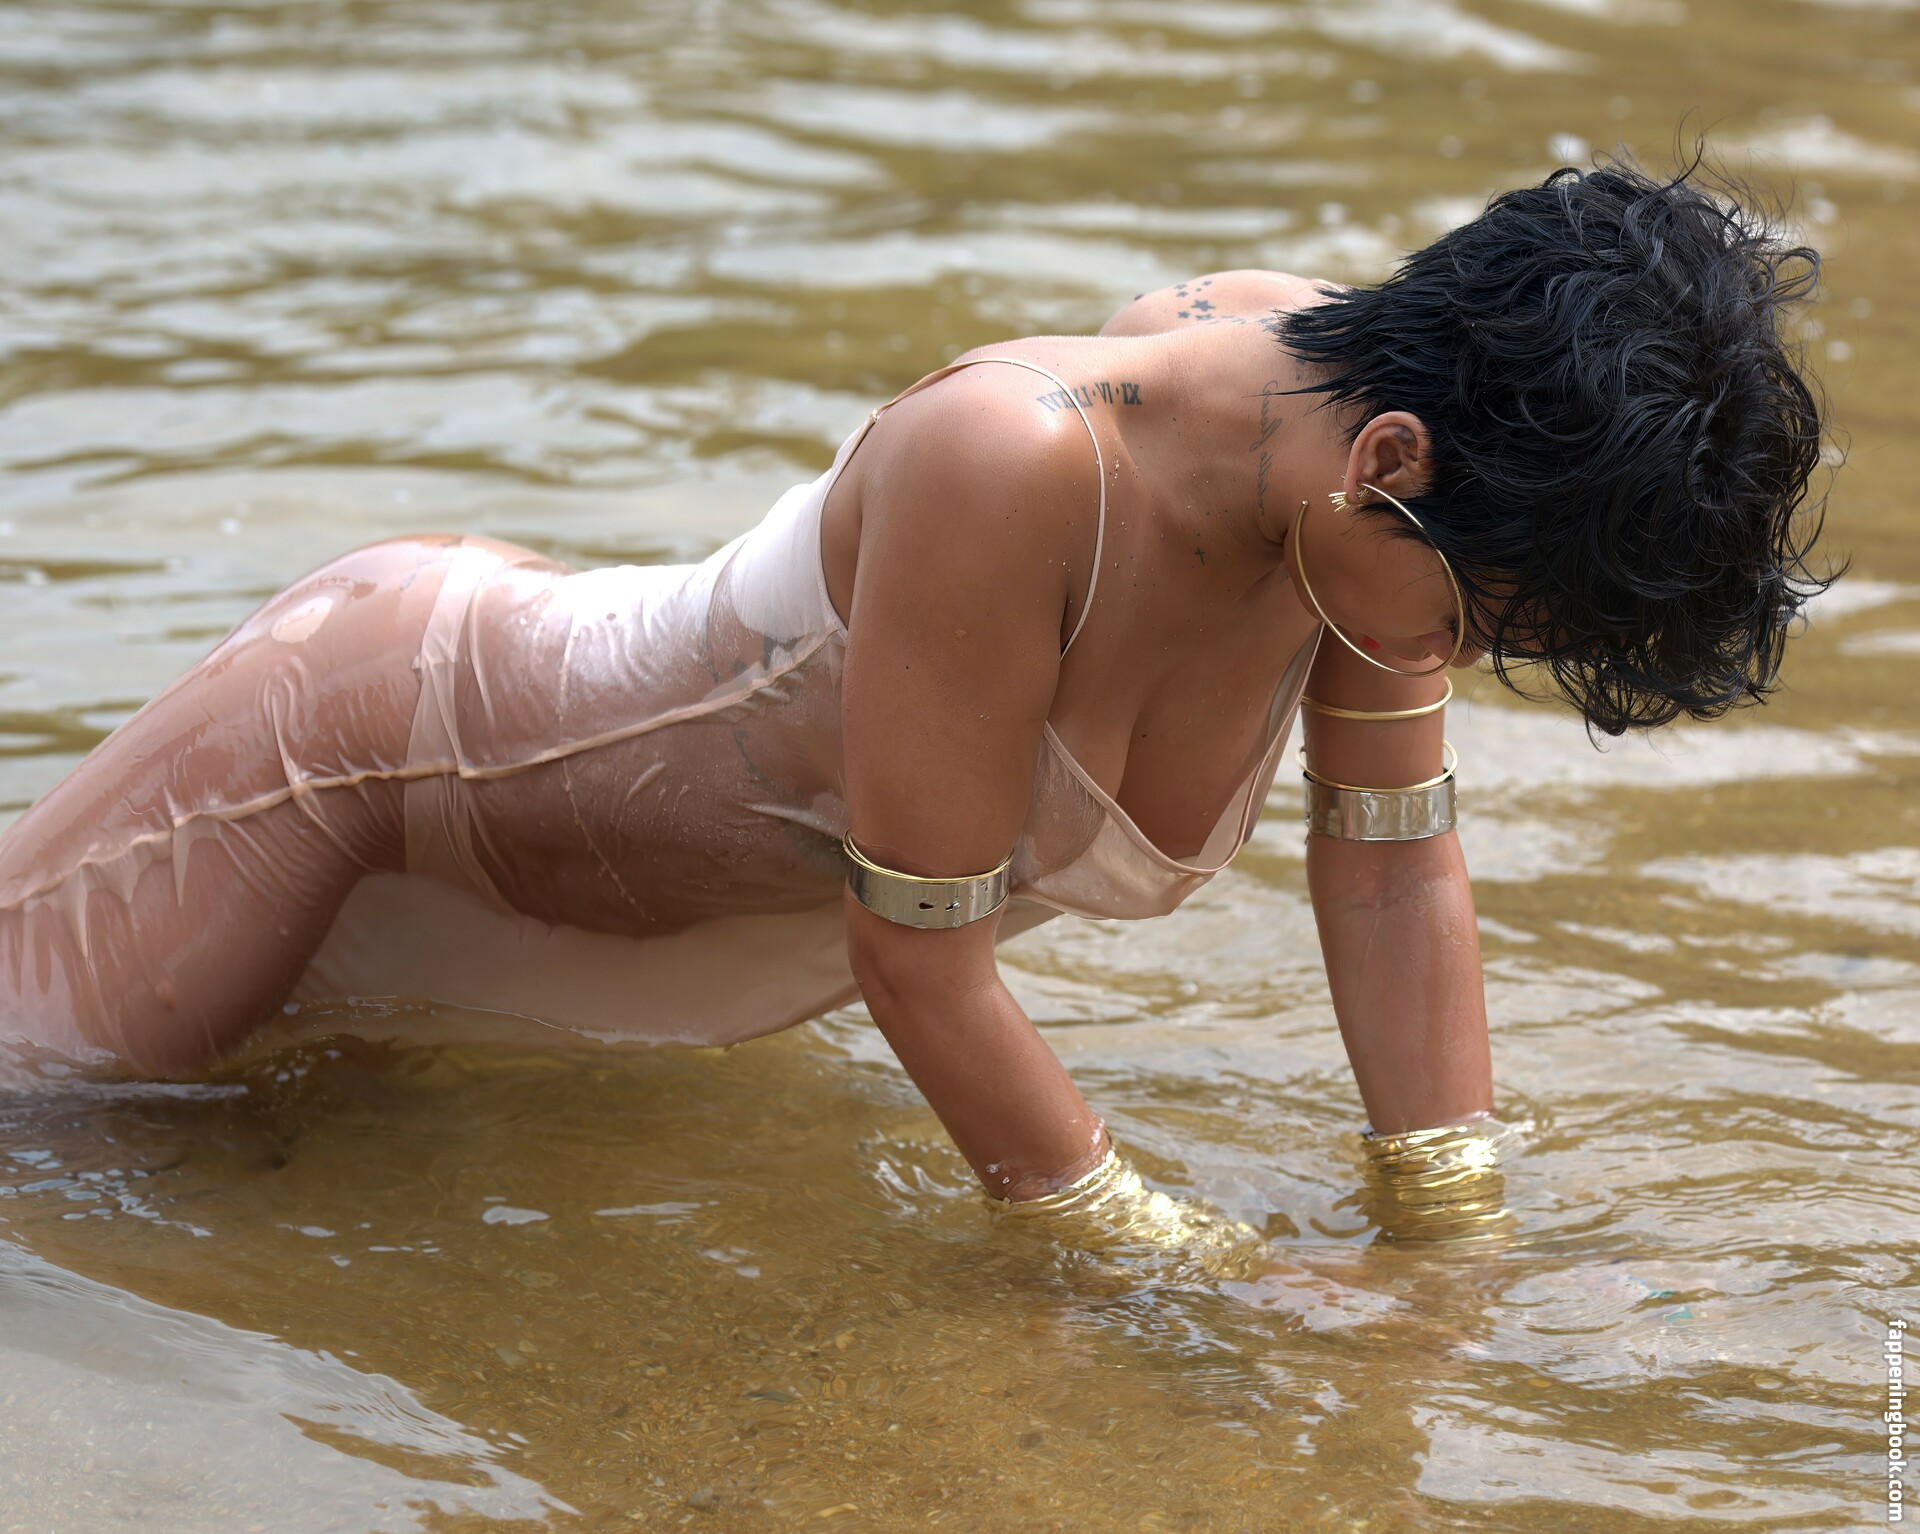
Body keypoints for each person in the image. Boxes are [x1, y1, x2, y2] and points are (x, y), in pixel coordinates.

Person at [0, 162, 1828, 1228]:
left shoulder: (1367, 448)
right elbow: (919, 964)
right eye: (1483, 619)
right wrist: (1168, 1263)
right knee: (37, 1161)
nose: (1459, 661)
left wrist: (1443, 1232)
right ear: (1392, 460)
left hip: (576, 873)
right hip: (341, 754)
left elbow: (1391, 867)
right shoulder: (1014, 463)